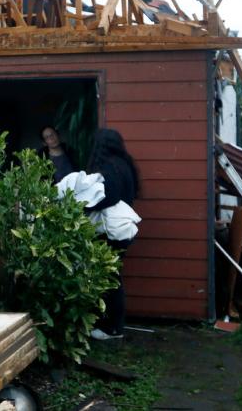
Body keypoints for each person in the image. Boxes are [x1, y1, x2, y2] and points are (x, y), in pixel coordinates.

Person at [85, 128, 140, 340]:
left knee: (109, 278)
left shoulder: (108, 166)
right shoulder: (125, 164)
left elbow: (109, 197)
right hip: (123, 228)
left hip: (110, 231)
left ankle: (113, 328)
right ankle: (112, 325)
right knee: (112, 276)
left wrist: (83, 205)